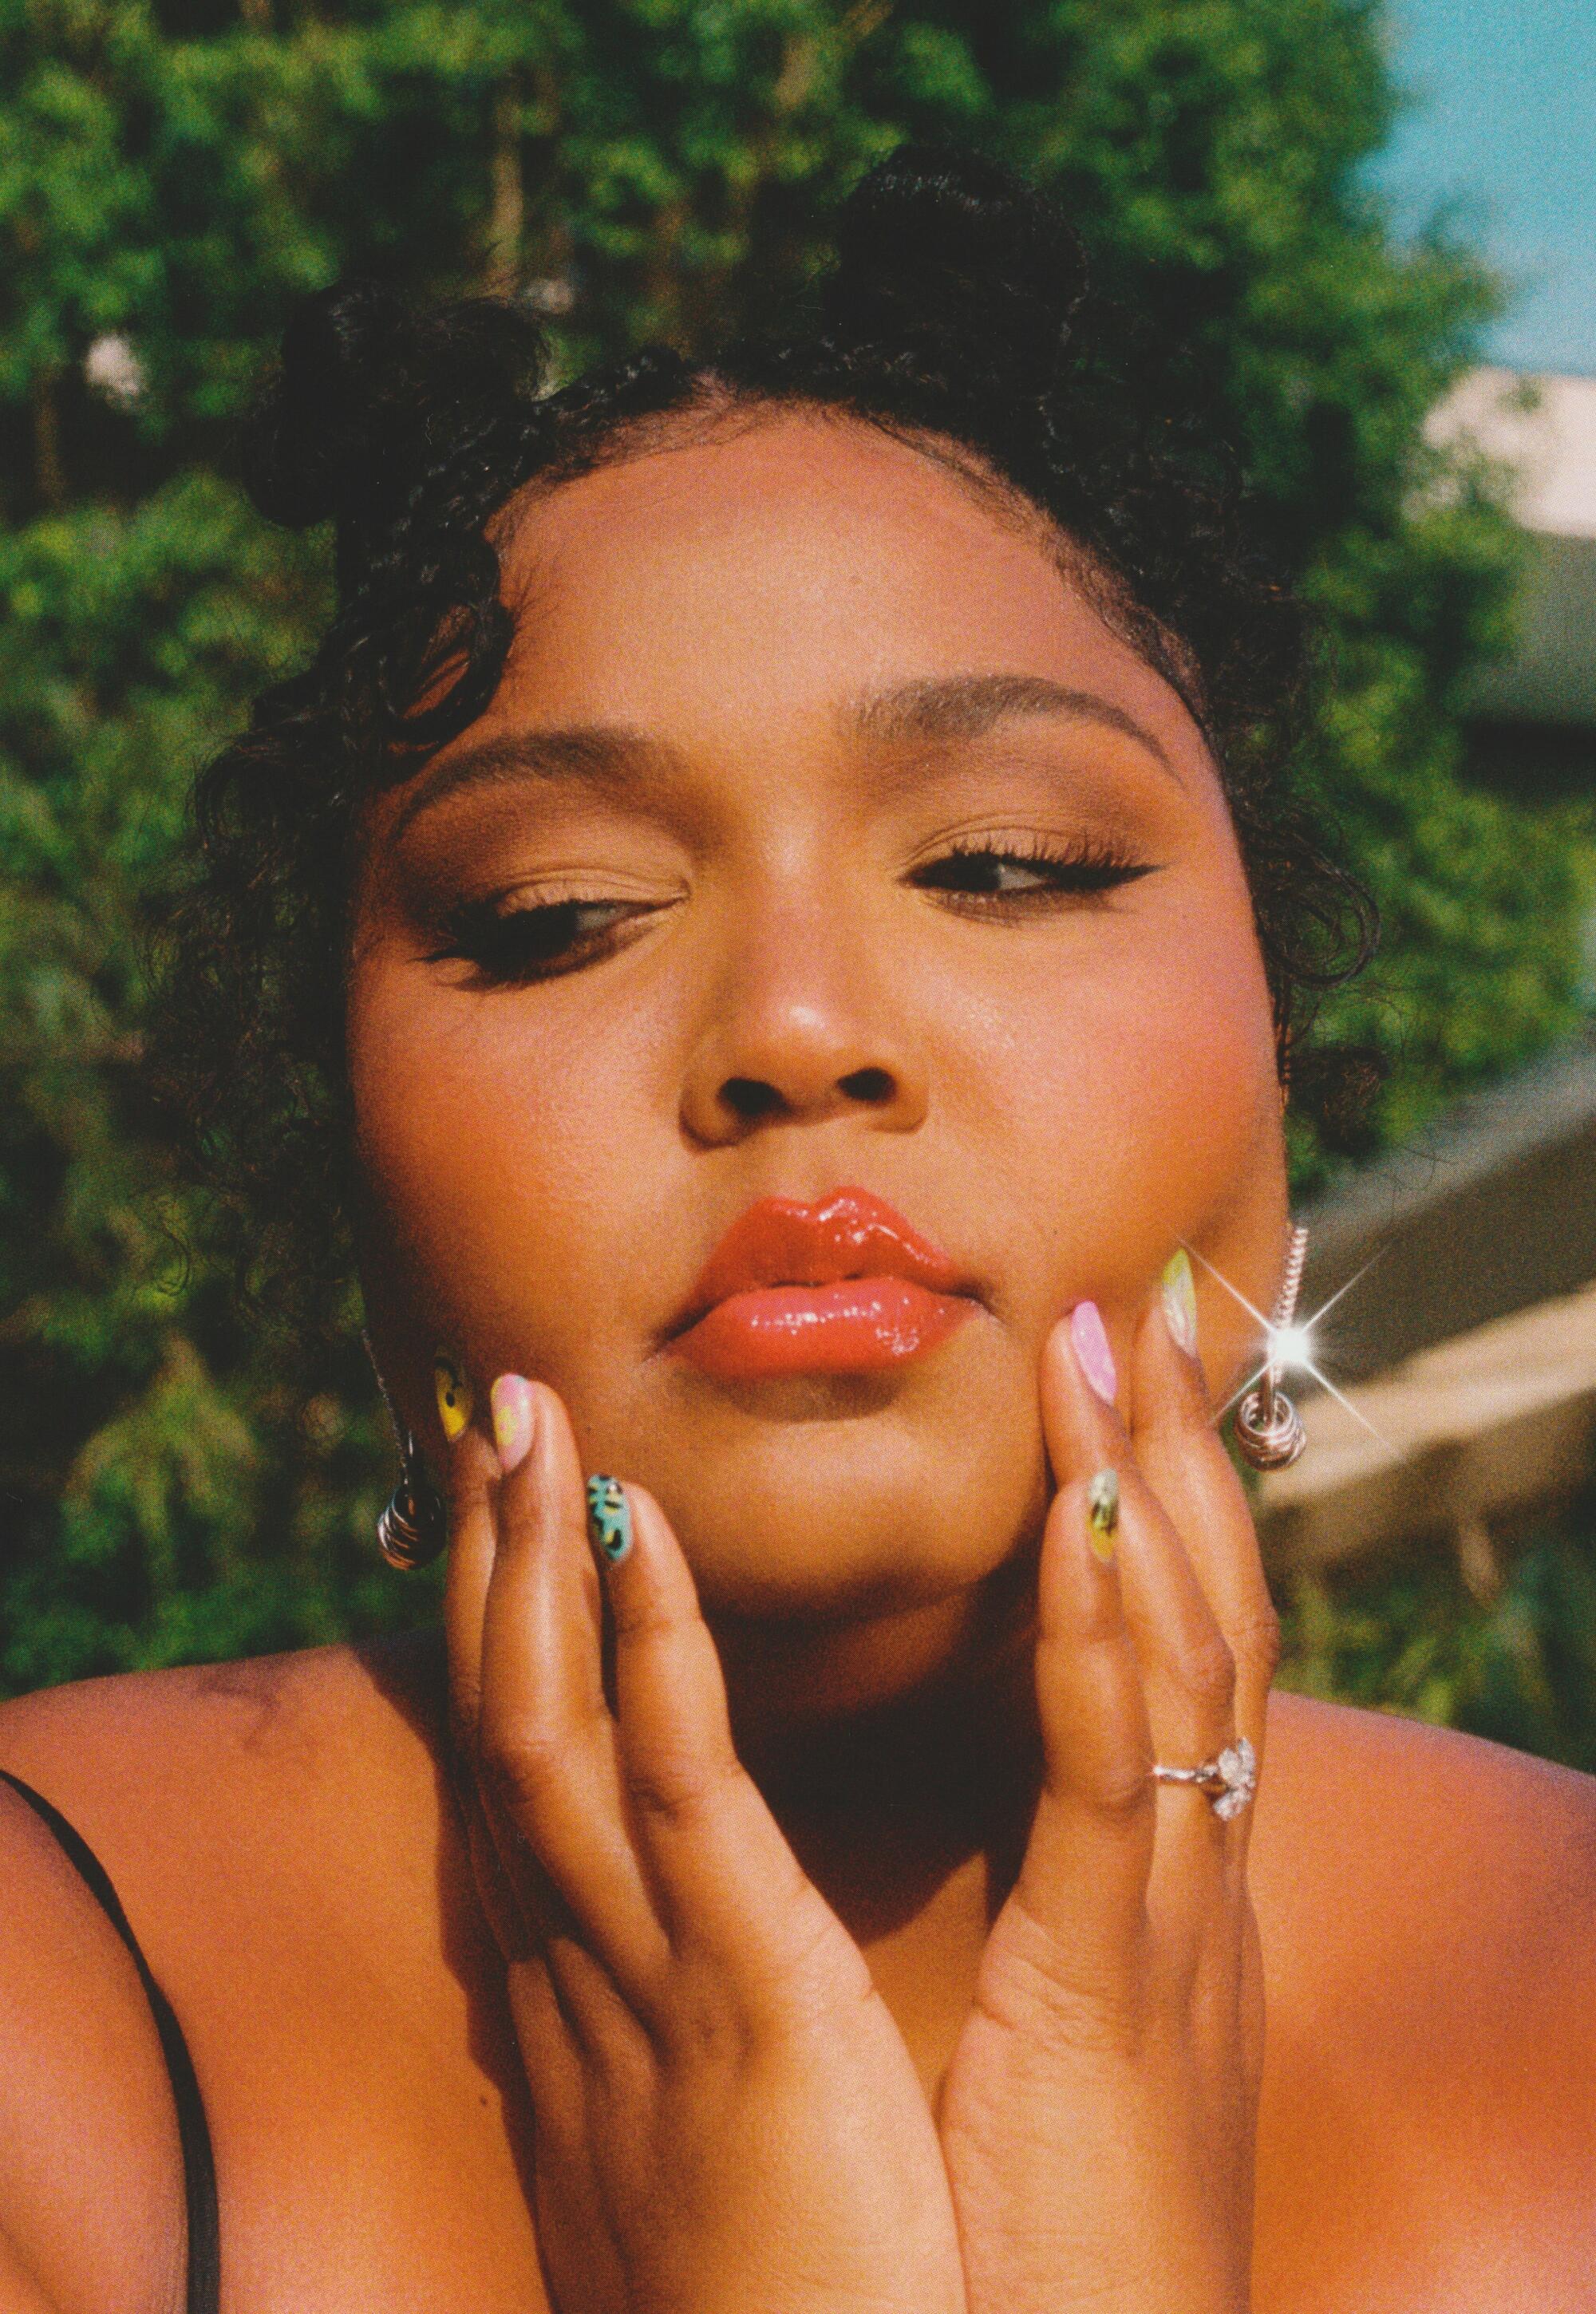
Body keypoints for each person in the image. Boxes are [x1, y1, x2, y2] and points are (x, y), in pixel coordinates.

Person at [1, 147, 1591, 2314]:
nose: (798, 1029)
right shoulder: (47, 2033)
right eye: (558, 914)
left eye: (1010, 864)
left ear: (1278, 1063)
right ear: (351, 1177)